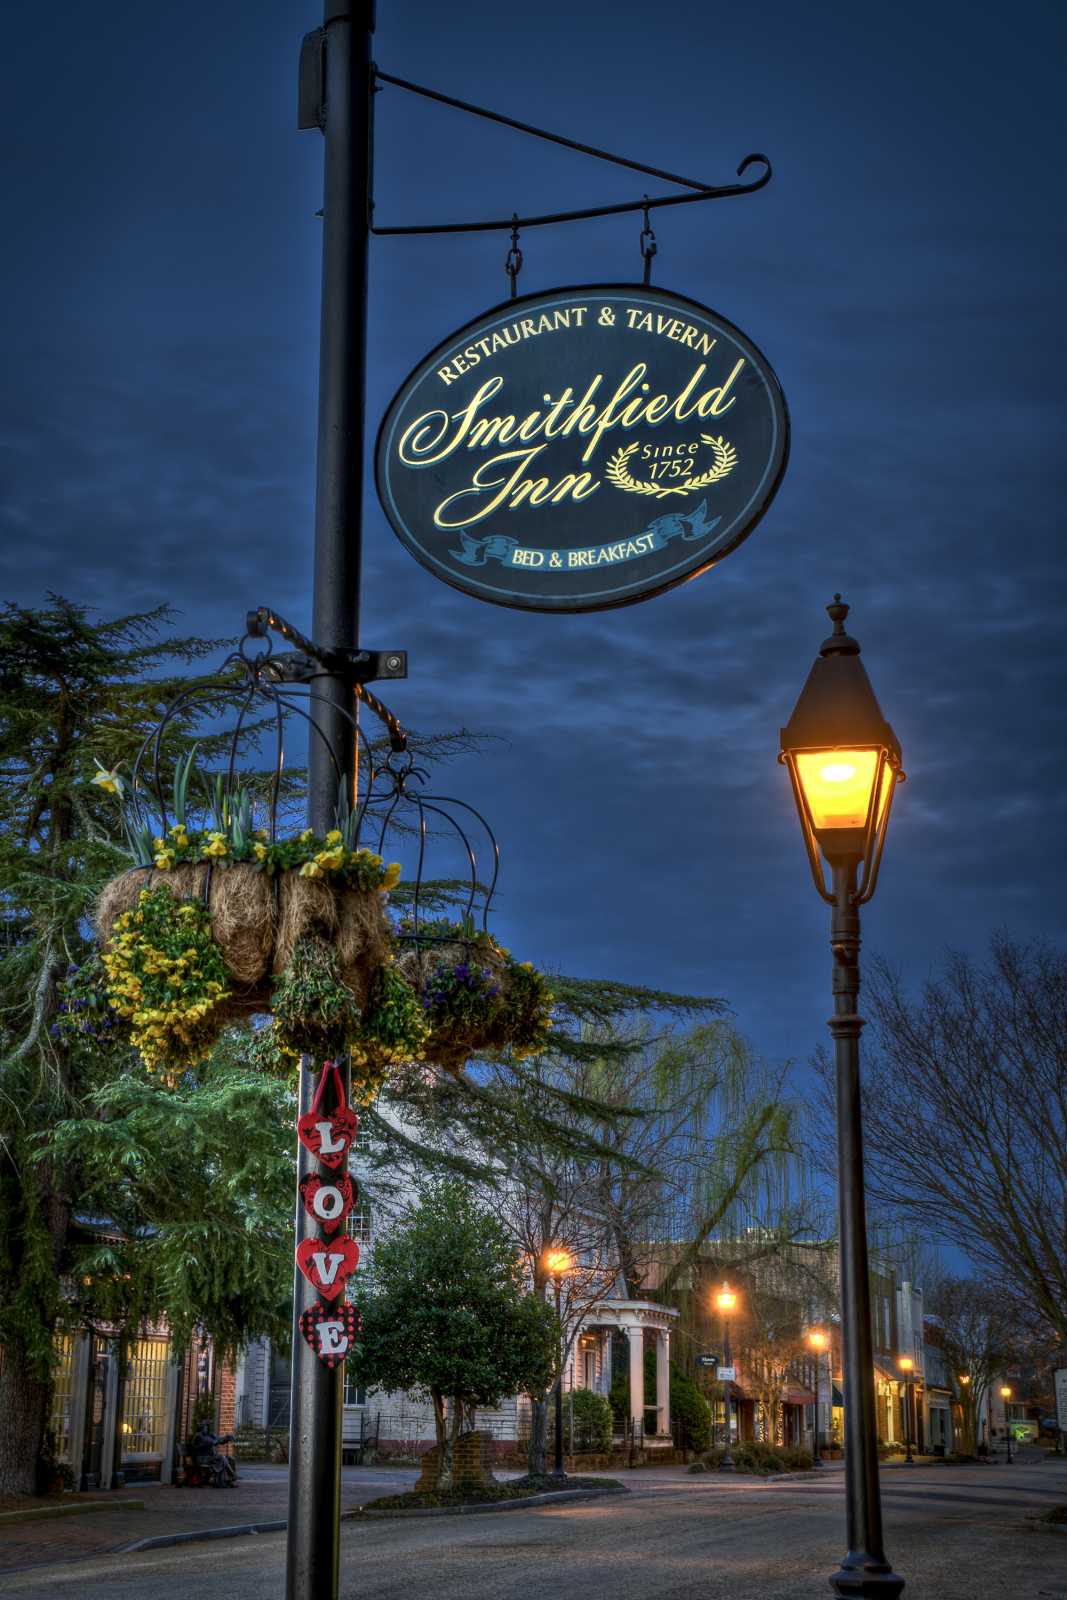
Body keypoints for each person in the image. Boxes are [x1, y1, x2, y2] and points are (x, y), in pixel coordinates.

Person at [191, 1420, 237, 1486]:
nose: (207, 1429)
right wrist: (217, 1440)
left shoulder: (208, 1435)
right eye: (205, 1427)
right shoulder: (199, 1436)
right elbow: (211, 1442)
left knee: (230, 1459)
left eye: (207, 1427)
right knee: (222, 1458)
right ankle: (231, 1475)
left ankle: (229, 1480)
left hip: (209, 1458)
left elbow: (219, 1439)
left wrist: (227, 1438)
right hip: (201, 1458)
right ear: (201, 1428)